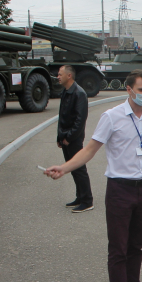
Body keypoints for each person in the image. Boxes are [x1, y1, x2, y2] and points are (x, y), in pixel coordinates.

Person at [44, 69, 142, 282]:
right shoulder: (111, 117)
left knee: (136, 245)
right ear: (129, 89)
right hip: (120, 189)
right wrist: (64, 169)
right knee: (118, 249)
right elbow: (89, 150)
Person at [56, 65, 93, 213]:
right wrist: (59, 137)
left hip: (73, 139)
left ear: (69, 75)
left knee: (79, 169)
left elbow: (80, 120)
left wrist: (69, 137)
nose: (58, 77)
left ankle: (87, 201)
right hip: (65, 138)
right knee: (73, 169)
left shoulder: (79, 93)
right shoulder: (66, 92)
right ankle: (80, 196)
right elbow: (62, 116)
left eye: (60, 74)